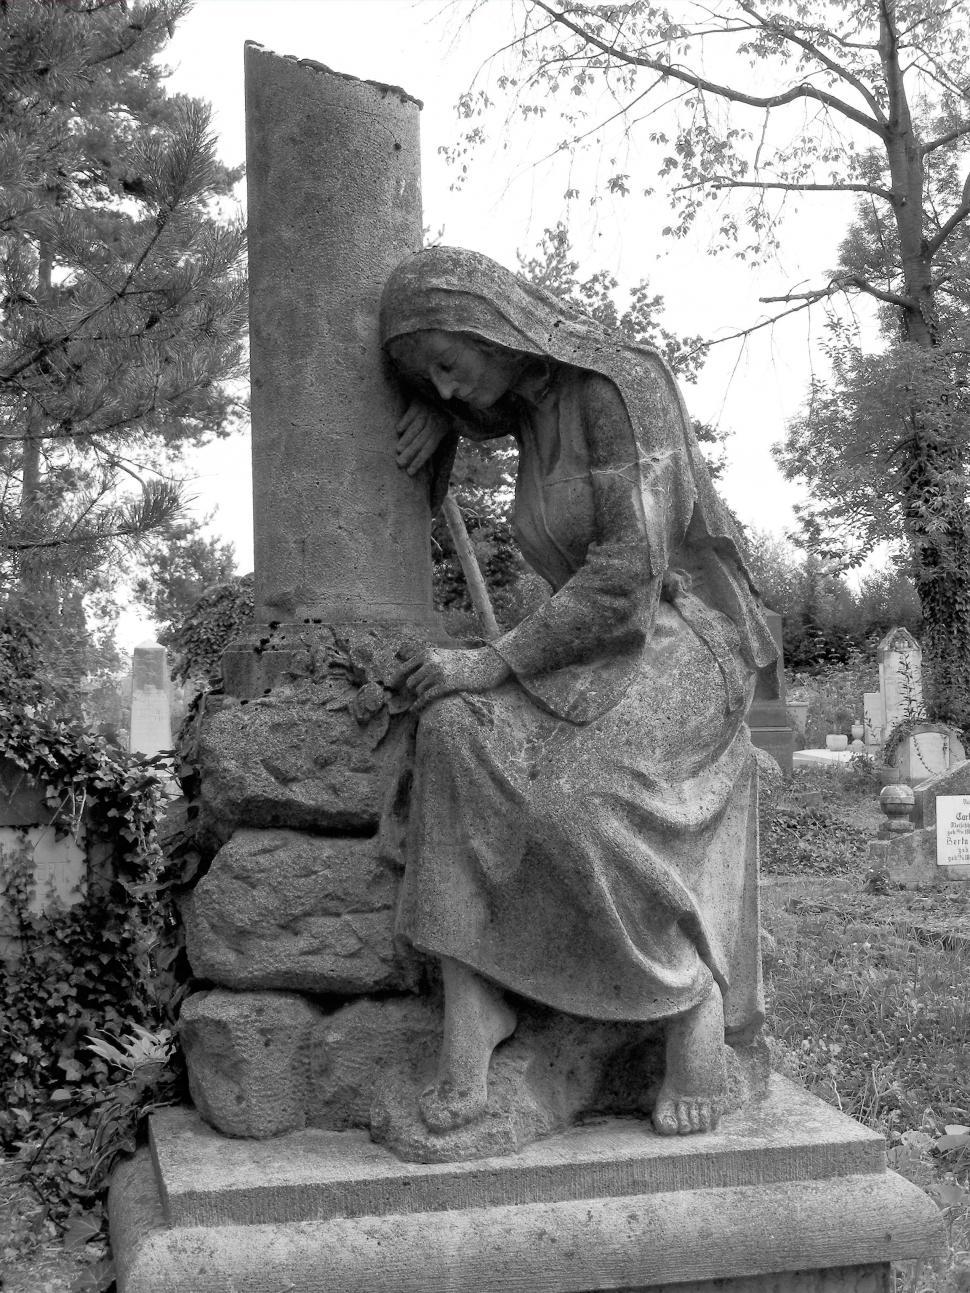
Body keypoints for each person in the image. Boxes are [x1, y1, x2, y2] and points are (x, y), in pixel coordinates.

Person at [381, 246, 777, 1138]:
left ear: (494, 325)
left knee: (575, 799)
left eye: (448, 361)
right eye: (424, 379)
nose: (442, 389)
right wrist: (451, 429)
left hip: (687, 642)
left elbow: (628, 572)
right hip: (598, 651)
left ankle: (688, 1002)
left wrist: (493, 660)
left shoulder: (617, 386)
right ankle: (474, 1004)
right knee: (449, 729)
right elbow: (489, 412)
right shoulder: (526, 413)